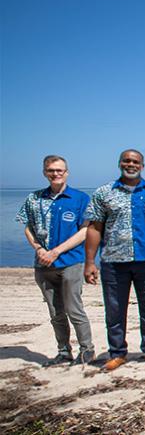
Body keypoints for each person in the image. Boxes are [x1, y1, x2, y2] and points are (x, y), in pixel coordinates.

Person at [84, 149, 145, 371]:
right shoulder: (104, 193)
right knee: (114, 309)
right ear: (119, 163)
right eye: (127, 161)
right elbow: (95, 227)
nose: (131, 164)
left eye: (135, 161)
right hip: (114, 261)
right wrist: (89, 261)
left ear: (142, 165)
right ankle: (117, 352)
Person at [15, 155, 95, 366]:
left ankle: (87, 351)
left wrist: (56, 251)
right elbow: (27, 227)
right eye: (51, 170)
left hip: (71, 261)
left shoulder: (80, 198)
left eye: (59, 170)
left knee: (74, 308)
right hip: (43, 264)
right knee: (55, 312)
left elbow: (85, 230)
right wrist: (39, 248)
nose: (55, 173)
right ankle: (63, 351)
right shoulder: (34, 198)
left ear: (66, 172)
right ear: (45, 172)